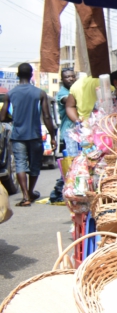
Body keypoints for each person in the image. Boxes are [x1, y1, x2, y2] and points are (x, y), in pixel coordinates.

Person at [3, 64, 57, 207]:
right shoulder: (39, 93)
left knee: (20, 164)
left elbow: (2, 116)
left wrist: (12, 117)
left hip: (18, 135)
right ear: (32, 75)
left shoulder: (11, 93)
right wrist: (53, 137)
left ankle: (25, 196)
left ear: (17, 75)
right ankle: (31, 191)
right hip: (35, 135)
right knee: (34, 165)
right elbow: (46, 116)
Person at [48, 68, 79, 205]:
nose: (71, 79)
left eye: (72, 76)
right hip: (69, 133)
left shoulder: (75, 89)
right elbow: (71, 101)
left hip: (78, 132)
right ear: (62, 79)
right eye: (67, 77)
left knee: (78, 163)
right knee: (71, 163)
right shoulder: (63, 93)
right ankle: (58, 191)